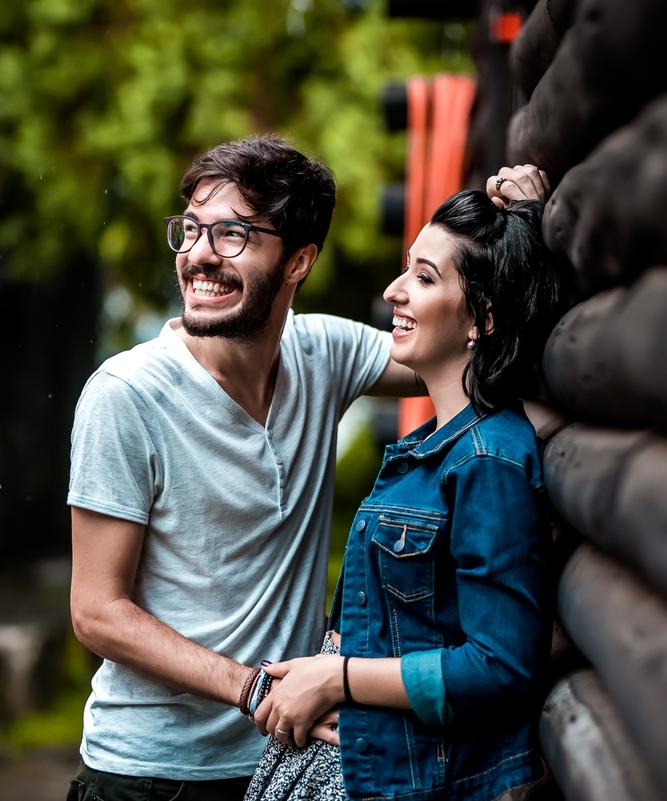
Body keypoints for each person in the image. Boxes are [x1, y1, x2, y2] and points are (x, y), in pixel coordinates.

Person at [65, 134, 425, 801]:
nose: (200, 254)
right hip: (148, 775)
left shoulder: (324, 354)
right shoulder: (126, 395)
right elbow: (96, 611)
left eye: (233, 234)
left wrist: (516, 221)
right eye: (192, 230)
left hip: (280, 769)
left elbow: (453, 350)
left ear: (298, 261)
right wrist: (252, 685)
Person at [243, 185, 569, 801]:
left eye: (423, 278)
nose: (393, 290)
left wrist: (336, 679)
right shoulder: (432, 445)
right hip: (367, 761)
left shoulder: (488, 460)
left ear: (485, 317)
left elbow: (500, 668)